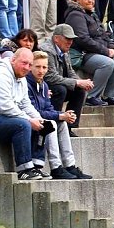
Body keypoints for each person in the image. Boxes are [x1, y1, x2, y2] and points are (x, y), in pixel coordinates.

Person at [0, 48, 48, 180]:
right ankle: (24, 169)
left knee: (43, 124)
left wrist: (39, 119)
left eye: (30, 64)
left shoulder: (21, 78)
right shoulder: (0, 75)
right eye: (24, 63)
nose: (27, 67)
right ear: (13, 60)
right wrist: (30, 120)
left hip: (2, 119)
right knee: (23, 124)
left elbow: (26, 104)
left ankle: (36, 167)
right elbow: (6, 106)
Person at [25, 50, 91, 179]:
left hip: (41, 119)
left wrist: (63, 114)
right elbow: (34, 111)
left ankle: (70, 165)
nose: (41, 71)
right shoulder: (26, 84)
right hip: (30, 121)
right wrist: (60, 115)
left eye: (44, 67)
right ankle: (55, 167)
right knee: (52, 124)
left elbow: (48, 108)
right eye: (37, 67)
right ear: (30, 66)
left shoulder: (44, 85)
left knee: (62, 124)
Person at [63, 0, 114, 106]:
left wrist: (112, 47)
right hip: (83, 54)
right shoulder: (75, 15)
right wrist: (105, 51)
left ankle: (110, 96)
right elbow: (83, 39)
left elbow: (106, 35)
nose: (91, 1)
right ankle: (91, 96)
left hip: (98, 52)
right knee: (107, 63)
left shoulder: (92, 14)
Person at [38, 23, 93, 127]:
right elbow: (50, 77)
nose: (70, 42)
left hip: (59, 83)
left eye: (72, 39)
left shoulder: (64, 50)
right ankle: (55, 123)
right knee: (60, 89)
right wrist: (76, 82)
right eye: (67, 38)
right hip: (46, 87)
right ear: (56, 38)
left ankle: (70, 127)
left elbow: (70, 72)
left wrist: (82, 82)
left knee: (80, 90)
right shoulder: (47, 50)